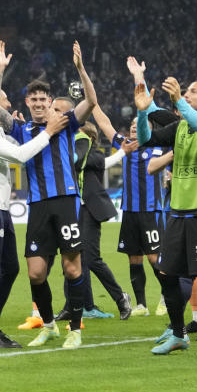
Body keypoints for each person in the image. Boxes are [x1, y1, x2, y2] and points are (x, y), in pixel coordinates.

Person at [0, 41, 69, 348]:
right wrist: (48, 132)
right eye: (6, 102)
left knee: (10, 267)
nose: (8, 106)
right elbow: (21, 156)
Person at [9, 41, 98, 350]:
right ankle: (48, 325)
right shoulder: (20, 130)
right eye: (32, 99)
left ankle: (75, 329)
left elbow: (91, 100)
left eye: (42, 99)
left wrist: (80, 68)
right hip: (37, 206)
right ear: (27, 101)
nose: (37, 103)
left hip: (66, 202)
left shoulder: (65, 122)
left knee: (72, 268)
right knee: (35, 273)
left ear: (50, 102)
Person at [138, 74, 197, 359]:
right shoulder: (178, 128)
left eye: (194, 91)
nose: (188, 94)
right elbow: (145, 140)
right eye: (186, 91)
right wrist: (143, 113)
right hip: (178, 212)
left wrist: (178, 99)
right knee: (166, 273)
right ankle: (178, 335)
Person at [91, 56, 171, 319]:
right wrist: (91, 101)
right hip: (130, 212)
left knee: (154, 259)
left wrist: (140, 78)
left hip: (151, 211)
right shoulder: (123, 145)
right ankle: (141, 304)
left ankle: (167, 297)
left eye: (141, 124)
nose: (135, 127)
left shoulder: (158, 146)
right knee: (134, 259)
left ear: (149, 127)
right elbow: (102, 122)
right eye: (133, 125)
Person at [71, 119, 132, 319]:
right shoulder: (79, 156)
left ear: (88, 138)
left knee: (90, 258)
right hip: (74, 209)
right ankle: (80, 306)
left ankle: (120, 297)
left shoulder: (93, 156)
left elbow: (105, 163)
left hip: (89, 210)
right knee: (73, 258)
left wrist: (122, 152)